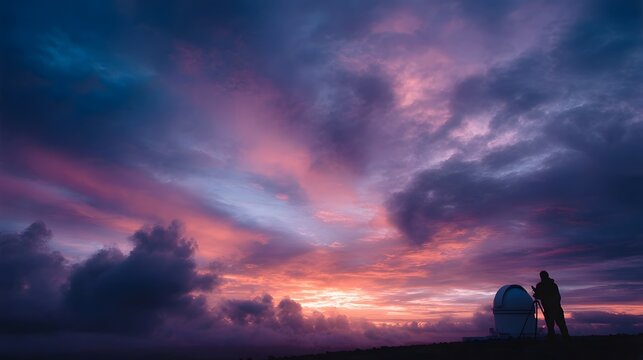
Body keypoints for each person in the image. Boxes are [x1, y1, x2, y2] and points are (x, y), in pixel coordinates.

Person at [532, 271, 570, 339]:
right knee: (558, 326)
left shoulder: (541, 286)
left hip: (551, 309)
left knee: (554, 326)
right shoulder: (553, 285)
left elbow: (540, 296)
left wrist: (537, 293)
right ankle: (564, 340)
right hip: (554, 309)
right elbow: (557, 297)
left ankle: (555, 340)